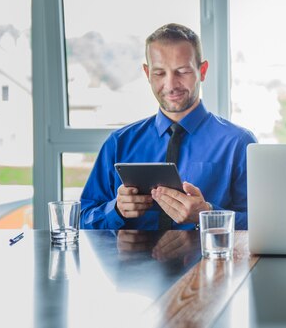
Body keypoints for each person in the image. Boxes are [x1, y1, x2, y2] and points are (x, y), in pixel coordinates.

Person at [80, 23, 256, 230]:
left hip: (209, 261)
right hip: (130, 262)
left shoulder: (238, 143)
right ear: (147, 73)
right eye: (159, 73)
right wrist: (115, 210)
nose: (171, 85)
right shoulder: (118, 143)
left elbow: (261, 223)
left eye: (182, 71)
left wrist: (208, 214)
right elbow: (82, 220)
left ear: (203, 71)